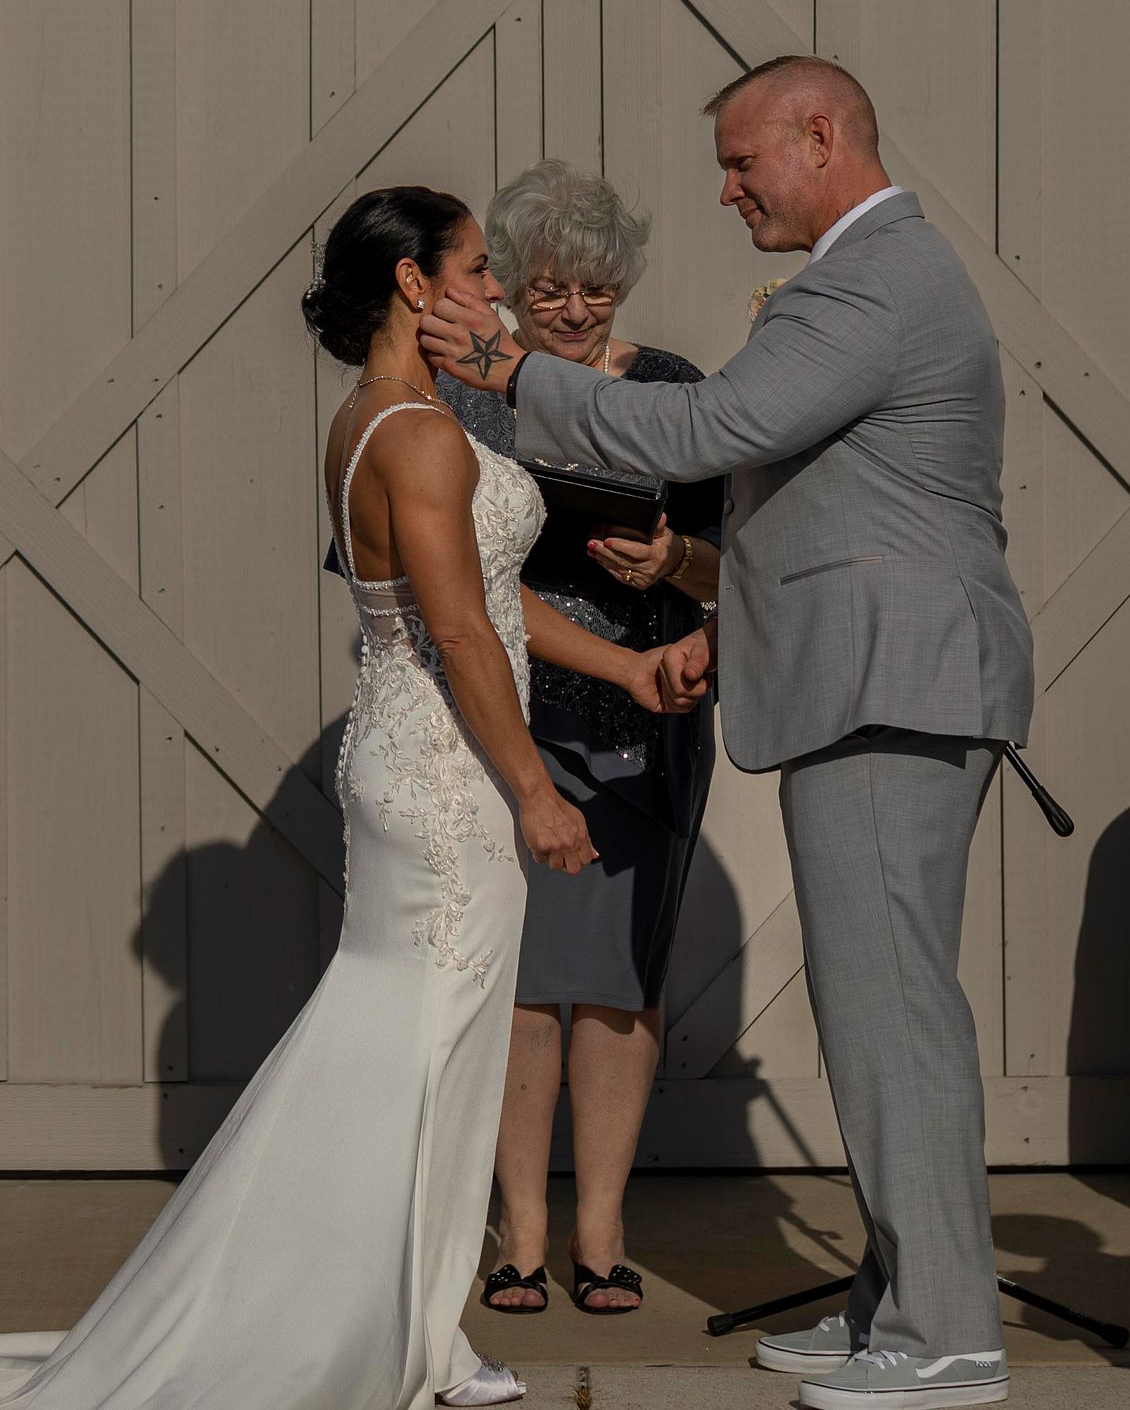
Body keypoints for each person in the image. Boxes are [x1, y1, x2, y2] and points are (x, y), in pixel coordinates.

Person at [0, 187, 694, 1410]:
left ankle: (424, 1326)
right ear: (415, 287)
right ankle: (356, 1324)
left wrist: (629, 663)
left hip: (411, 753)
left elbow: (487, 599)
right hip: (445, 770)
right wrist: (536, 791)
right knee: (414, 1049)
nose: (494, 291)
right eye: (477, 270)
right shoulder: (418, 435)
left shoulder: (383, 418)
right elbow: (464, 634)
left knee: (433, 1050)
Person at [420, 58, 1035, 1410]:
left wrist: (517, 367)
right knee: (871, 1006)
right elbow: (818, 502)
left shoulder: (872, 277)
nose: (727, 183)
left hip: (895, 683)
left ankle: (948, 1338)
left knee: (893, 1017)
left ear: (821, 138)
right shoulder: (873, 276)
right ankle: (894, 1300)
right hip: (871, 676)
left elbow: (717, 424)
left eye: (745, 158)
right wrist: (720, 608)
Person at [439, 161, 722, 1316]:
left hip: (649, 718)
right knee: (520, 981)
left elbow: (727, 557)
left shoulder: (672, 387)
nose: (571, 309)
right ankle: (521, 1231)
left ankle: (600, 1229)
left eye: (595, 290)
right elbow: (444, 576)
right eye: (548, 288)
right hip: (510, 719)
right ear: (505, 282)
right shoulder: (463, 388)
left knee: (617, 983)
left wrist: (678, 568)